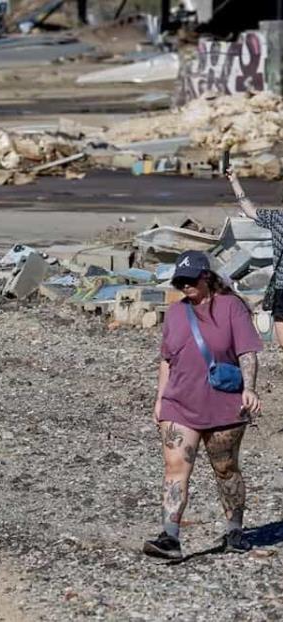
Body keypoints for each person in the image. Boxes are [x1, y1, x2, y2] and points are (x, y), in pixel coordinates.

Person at [143, 250, 262, 560]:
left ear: (206, 277)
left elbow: (248, 353)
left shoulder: (232, 308)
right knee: (175, 468)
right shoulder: (176, 312)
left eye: (190, 280)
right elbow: (167, 360)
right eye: (180, 281)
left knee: (225, 469)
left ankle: (234, 530)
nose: (185, 286)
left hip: (225, 405)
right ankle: (170, 537)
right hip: (179, 403)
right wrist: (160, 399)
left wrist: (249, 389)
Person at [226, 168, 283, 344]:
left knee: (280, 319)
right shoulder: (277, 218)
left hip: (282, 285)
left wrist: (234, 180)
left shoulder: (278, 218)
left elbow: (249, 210)